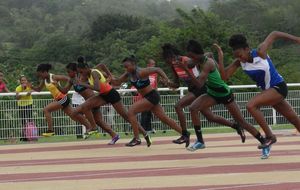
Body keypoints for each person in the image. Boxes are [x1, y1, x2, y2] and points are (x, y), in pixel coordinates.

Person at [184, 40, 269, 159]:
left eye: (192, 56)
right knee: (193, 108)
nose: (190, 58)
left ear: (197, 54)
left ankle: (264, 142)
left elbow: (199, 84)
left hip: (224, 94)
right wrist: (181, 62)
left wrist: (187, 70)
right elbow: (189, 63)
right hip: (212, 93)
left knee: (242, 122)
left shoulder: (208, 63)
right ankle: (200, 141)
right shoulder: (200, 58)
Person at [222, 31, 300, 152]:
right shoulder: (239, 62)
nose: (239, 58)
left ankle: (270, 136)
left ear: (247, 49)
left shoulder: (260, 52)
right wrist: (220, 57)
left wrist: (296, 39)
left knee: (251, 105)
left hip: (278, 87)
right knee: (294, 120)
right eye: (236, 56)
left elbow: (274, 34)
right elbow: (224, 76)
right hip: (270, 92)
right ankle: (270, 136)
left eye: (240, 55)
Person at [111, 56, 189, 147]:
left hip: (152, 96)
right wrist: (109, 77)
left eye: (127, 66)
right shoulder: (128, 74)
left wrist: (166, 80)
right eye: (124, 67)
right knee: (165, 119)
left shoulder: (141, 72)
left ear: (134, 64)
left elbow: (157, 69)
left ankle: (136, 138)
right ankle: (185, 135)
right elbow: (117, 83)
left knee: (131, 111)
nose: (126, 69)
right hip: (148, 97)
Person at [71, 61, 152, 147]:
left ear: (86, 68)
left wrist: (83, 84)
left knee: (127, 117)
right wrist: (109, 75)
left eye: (81, 72)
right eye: (79, 72)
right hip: (103, 95)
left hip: (112, 95)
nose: (81, 74)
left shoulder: (94, 73)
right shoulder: (89, 73)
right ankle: (93, 127)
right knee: (85, 106)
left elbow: (97, 88)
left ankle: (145, 134)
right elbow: (102, 64)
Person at [59, 62, 120, 145]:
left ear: (75, 71)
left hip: (93, 100)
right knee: (99, 121)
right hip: (89, 103)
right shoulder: (72, 80)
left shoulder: (85, 75)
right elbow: (65, 91)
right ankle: (114, 135)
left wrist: (110, 78)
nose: (68, 74)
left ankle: (91, 127)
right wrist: (57, 85)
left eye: (69, 71)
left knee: (74, 112)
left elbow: (101, 70)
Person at [31, 63, 94, 137]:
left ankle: (50, 130)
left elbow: (68, 78)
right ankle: (89, 126)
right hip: (58, 99)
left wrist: (74, 83)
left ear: (45, 72)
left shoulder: (54, 77)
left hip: (63, 98)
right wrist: (30, 86)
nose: (40, 76)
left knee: (46, 110)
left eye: (40, 74)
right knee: (73, 116)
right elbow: (38, 89)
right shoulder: (44, 80)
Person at [162, 44, 206, 145]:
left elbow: (199, 60)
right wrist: (167, 83)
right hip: (192, 89)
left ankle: (185, 134)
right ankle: (235, 125)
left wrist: (186, 66)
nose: (168, 62)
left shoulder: (186, 60)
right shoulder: (174, 66)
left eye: (168, 59)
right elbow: (177, 84)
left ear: (173, 56)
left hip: (200, 87)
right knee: (210, 117)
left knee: (178, 106)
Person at [15, 75, 34, 141]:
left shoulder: (29, 86)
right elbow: (17, 98)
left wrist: (28, 91)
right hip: (21, 105)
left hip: (29, 104)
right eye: (22, 80)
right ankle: (24, 136)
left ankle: (31, 135)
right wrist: (23, 91)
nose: (23, 81)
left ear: (27, 81)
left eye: (25, 80)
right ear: (20, 81)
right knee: (23, 121)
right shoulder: (18, 88)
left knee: (30, 120)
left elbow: (30, 93)